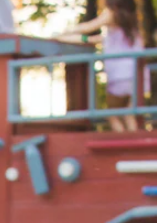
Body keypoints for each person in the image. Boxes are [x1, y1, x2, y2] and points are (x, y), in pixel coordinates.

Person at [63, 0, 147, 132]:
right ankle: (134, 143)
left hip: (121, 74)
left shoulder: (111, 14)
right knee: (128, 113)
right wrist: (67, 37)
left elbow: (87, 28)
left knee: (111, 114)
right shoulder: (130, 23)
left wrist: (66, 31)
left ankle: (124, 141)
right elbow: (91, 39)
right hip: (139, 74)